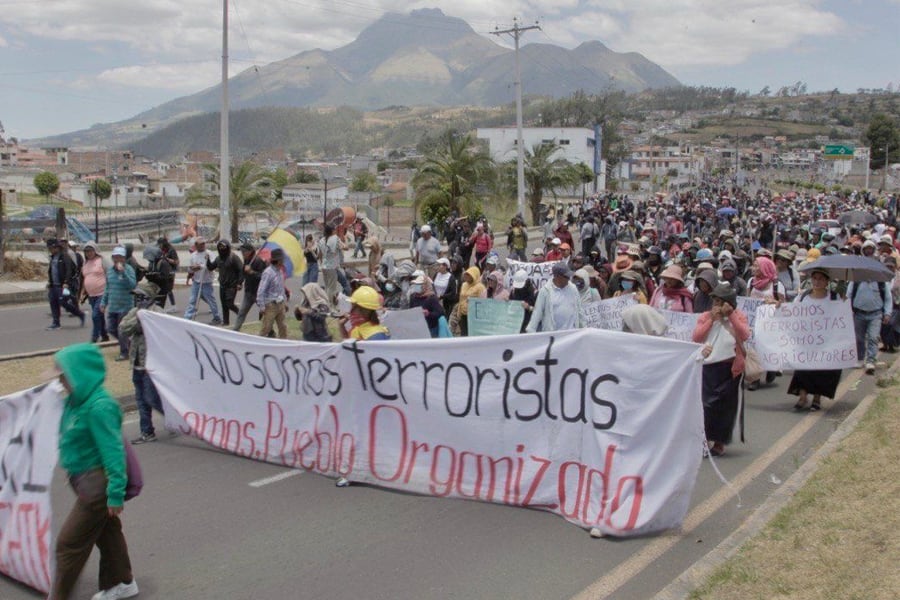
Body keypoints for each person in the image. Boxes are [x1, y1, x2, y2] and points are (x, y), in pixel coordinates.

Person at [49, 343, 138, 600]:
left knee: (68, 545)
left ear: (79, 374)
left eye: (64, 376)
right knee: (107, 533)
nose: (60, 382)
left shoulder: (100, 406)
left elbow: (113, 454)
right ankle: (122, 582)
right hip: (84, 481)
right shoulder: (75, 402)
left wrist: (115, 493)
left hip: (97, 486)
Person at [692, 282, 751, 458]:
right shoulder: (705, 316)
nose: (717, 305)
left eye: (721, 302)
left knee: (725, 408)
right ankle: (704, 440)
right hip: (708, 367)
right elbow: (696, 336)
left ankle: (719, 442)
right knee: (706, 406)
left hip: (729, 368)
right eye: (715, 301)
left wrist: (730, 315)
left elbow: (744, 334)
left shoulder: (738, 316)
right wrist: (711, 319)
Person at [787, 269, 842, 411]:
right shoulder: (803, 297)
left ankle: (817, 398)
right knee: (803, 370)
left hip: (826, 342)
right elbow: (792, 312)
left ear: (827, 281)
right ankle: (803, 397)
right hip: (806, 341)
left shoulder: (835, 298)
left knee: (822, 371)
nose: (817, 282)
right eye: (815, 278)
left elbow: (841, 319)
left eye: (821, 279)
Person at [119, 281, 165, 444]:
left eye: (142, 297)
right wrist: (138, 320)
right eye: (136, 297)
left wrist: (144, 322)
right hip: (136, 363)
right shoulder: (135, 312)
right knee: (141, 399)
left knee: (151, 398)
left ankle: (174, 419)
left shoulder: (158, 312)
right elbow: (123, 327)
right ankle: (147, 431)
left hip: (151, 364)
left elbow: (162, 332)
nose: (138, 300)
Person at [101, 247, 137, 361]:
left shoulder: (129, 269)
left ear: (124, 258)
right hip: (113, 305)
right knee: (110, 328)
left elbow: (132, 285)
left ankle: (124, 352)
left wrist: (123, 273)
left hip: (125, 305)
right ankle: (128, 343)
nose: (118, 259)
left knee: (122, 330)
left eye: (120, 257)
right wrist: (103, 302)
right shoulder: (110, 271)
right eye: (116, 257)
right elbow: (108, 288)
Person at [526, 262, 584, 333]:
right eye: (566, 276)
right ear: (557, 276)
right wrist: (531, 331)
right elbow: (537, 312)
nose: (569, 279)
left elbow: (580, 311)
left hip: (571, 336)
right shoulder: (545, 291)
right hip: (554, 337)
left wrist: (584, 329)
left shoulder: (573, 289)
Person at [46, 238, 86, 331]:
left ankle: (80, 314)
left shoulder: (64, 256)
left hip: (62, 285)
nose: (50, 250)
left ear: (56, 247)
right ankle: (56, 322)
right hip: (53, 285)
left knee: (63, 302)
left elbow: (69, 270)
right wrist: (50, 281)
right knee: (53, 302)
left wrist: (66, 282)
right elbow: (52, 271)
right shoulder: (52, 258)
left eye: (51, 248)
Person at [183, 237, 223, 325]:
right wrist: (192, 270)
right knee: (192, 300)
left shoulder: (209, 253)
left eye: (204, 243)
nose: (203, 245)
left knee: (211, 300)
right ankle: (187, 318)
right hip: (196, 281)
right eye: (200, 244)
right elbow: (190, 269)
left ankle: (217, 317)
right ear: (196, 245)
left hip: (206, 282)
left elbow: (212, 266)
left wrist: (200, 267)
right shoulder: (193, 255)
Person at [207, 240, 243, 327]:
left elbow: (241, 270)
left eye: (223, 247)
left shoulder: (233, 257)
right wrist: (207, 260)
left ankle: (241, 315)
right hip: (222, 285)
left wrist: (239, 283)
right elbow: (211, 267)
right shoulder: (218, 258)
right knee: (224, 305)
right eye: (220, 247)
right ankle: (226, 322)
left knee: (229, 303)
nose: (222, 249)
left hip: (232, 285)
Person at [79, 242, 109, 343]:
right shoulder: (86, 263)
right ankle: (104, 335)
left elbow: (109, 274)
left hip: (102, 293)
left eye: (90, 251)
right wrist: (83, 292)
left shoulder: (102, 261)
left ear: (95, 250)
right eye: (86, 251)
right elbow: (85, 278)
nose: (88, 253)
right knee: (99, 316)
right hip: (91, 295)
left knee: (95, 315)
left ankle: (94, 337)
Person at [233, 242, 267, 331]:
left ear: (250, 251)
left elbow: (264, 276)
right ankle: (235, 331)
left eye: (244, 251)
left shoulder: (258, 261)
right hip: (248, 292)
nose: (242, 253)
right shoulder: (247, 260)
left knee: (265, 313)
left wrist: (252, 272)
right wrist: (240, 283)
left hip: (258, 293)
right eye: (241, 251)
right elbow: (243, 273)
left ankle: (270, 332)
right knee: (242, 312)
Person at [257, 248, 288, 339]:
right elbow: (261, 290)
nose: (284, 261)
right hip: (270, 305)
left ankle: (283, 344)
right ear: (278, 260)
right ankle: (258, 343)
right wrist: (262, 306)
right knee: (266, 328)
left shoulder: (280, 271)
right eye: (282, 259)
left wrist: (284, 302)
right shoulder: (268, 272)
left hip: (280, 303)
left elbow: (281, 288)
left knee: (283, 327)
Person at [408, 272, 445, 337]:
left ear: (425, 285)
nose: (416, 286)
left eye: (419, 284)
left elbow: (440, 312)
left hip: (431, 329)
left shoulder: (431, 298)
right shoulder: (413, 297)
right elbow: (410, 310)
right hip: (417, 328)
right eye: (416, 284)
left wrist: (428, 314)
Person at [318, 225, 344, 305]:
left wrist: (321, 263)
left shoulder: (321, 240)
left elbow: (320, 254)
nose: (335, 231)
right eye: (334, 229)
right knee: (332, 288)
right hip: (332, 266)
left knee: (327, 286)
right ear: (332, 230)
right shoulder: (335, 239)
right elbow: (344, 247)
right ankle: (330, 305)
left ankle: (326, 302)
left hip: (324, 266)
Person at [457, 266, 486, 336]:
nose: (466, 276)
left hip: (473, 316)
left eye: (468, 275)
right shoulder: (464, 285)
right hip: (464, 314)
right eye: (466, 274)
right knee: (463, 335)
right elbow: (461, 299)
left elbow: (483, 302)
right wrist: (459, 312)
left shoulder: (480, 287)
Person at [157, 238, 179, 312]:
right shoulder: (162, 250)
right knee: (166, 288)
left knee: (168, 289)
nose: (159, 246)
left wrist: (167, 259)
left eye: (160, 244)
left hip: (171, 270)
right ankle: (163, 306)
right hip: (165, 270)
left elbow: (176, 261)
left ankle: (173, 306)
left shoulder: (171, 250)